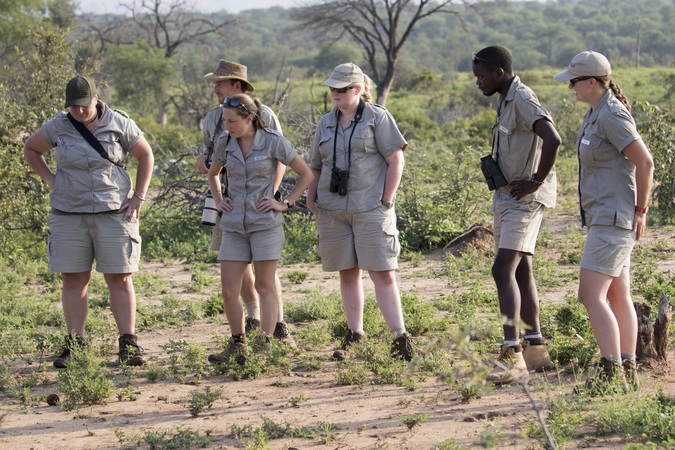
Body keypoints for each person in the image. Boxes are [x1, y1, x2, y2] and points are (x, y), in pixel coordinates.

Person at [23, 75, 154, 368]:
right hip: (69, 213)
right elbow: (32, 149)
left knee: (119, 279)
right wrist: (50, 180)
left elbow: (145, 155)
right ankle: (75, 345)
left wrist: (139, 197)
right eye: (73, 107)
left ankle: (128, 343)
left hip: (114, 212)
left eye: (84, 106)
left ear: (96, 99)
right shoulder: (58, 125)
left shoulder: (120, 123)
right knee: (73, 279)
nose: (79, 112)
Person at [553, 51, 654, 392]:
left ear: (592, 82)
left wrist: (641, 211)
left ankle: (611, 372)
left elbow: (645, 162)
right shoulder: (597, 112)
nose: (571, 87)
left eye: (574, 80)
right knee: (618, 294)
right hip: (606, 217)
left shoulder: (611, 115)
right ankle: (626, 370)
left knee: (589, 295)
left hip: (614, 219)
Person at [307, 62, 413, 361]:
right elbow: (316, 164)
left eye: (341, 89)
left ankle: (400, 337)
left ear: (358, 89)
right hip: (333, 209)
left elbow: (396, 160)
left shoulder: (377, 117)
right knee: (347, 274)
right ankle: (355, 334)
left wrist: (386, 200)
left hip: (369, 207)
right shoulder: (325, 122)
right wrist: (311, 196)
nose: (335, 94)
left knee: (383, 273)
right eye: (332, 89)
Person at [471, 46, 561, 384]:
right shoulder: (506, 98)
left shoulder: (521, 97)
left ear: (498, 72)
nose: (478, 83)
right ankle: (536, 347)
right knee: (521, 268)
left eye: (481, 76)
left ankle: (512, 353)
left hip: (524, 198)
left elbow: (553, 138)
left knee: (501, 268)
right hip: (509, 196)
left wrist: (535, 181)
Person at [206, 93, 313, 363]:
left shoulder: (273, 141)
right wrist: (219, 200)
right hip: (233, 226)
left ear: (249, 119)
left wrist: (285, 203)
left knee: (265, 286)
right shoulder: (223, 143)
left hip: (265, 224)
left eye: (232, 121)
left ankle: (264, 345)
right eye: (224, 121)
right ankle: (238, 343)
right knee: (229, 290)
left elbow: (306, 174)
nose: (227, 127)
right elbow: (213, 173)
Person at [198, 60, 294, 345]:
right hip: (230, 203)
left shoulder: (264, 115)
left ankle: (278, 325)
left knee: (266, 272)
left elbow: (280, 158)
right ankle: (251, 321)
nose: (215, 88)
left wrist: (272, 196)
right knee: (237, 270)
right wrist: (209, 175)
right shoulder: (213, 119)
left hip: (261, 205)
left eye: (220, 83)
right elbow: (210, 161)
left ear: (236, 85)